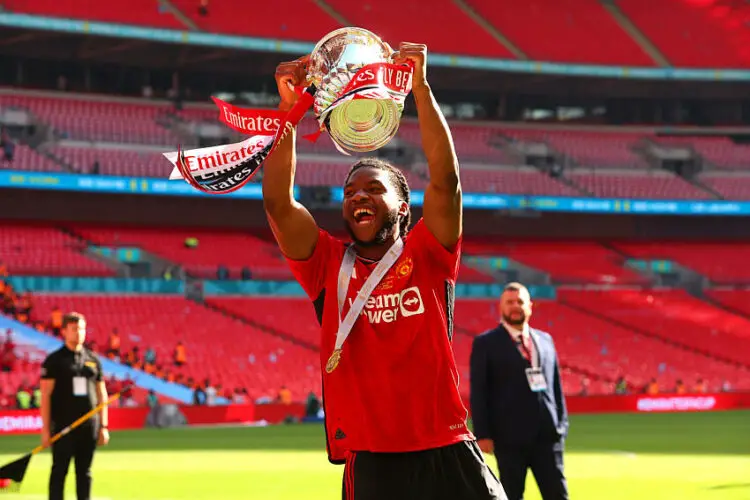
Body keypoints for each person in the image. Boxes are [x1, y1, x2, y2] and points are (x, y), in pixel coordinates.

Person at [264, 44, 505, 500]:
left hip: (447, 447)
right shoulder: (327, 265)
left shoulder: (430, 252)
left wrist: (421, 88)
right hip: (373, 460)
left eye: (373, 189)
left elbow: (446, 181)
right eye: (350, 191)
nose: (358, 197)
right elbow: (279, 203)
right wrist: (289, 111)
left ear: (402, 206)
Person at [469, 283, 569, 500]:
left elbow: (556, 386)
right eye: (510, 302)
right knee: (511, 495)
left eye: (520, 302)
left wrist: (561, 424)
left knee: (558, 495)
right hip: (509, 439)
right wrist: (483, 433)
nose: (516, 306)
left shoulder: (545, 340)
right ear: (501, 307)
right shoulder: (486, 343)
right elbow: (479, 390)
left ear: (530, 306)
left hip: (548, 437)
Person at [40, 312, 110, 500]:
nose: (78, 333)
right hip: (63, 426)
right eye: (74, 329)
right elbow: (45, 395)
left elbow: (102, 393)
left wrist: (103, 426)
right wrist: (46, 429)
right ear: (64, 331)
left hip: (89, 427)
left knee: (84, 473)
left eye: (81, 328)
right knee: (59, 472)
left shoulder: (93, 360)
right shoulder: (54, 361)